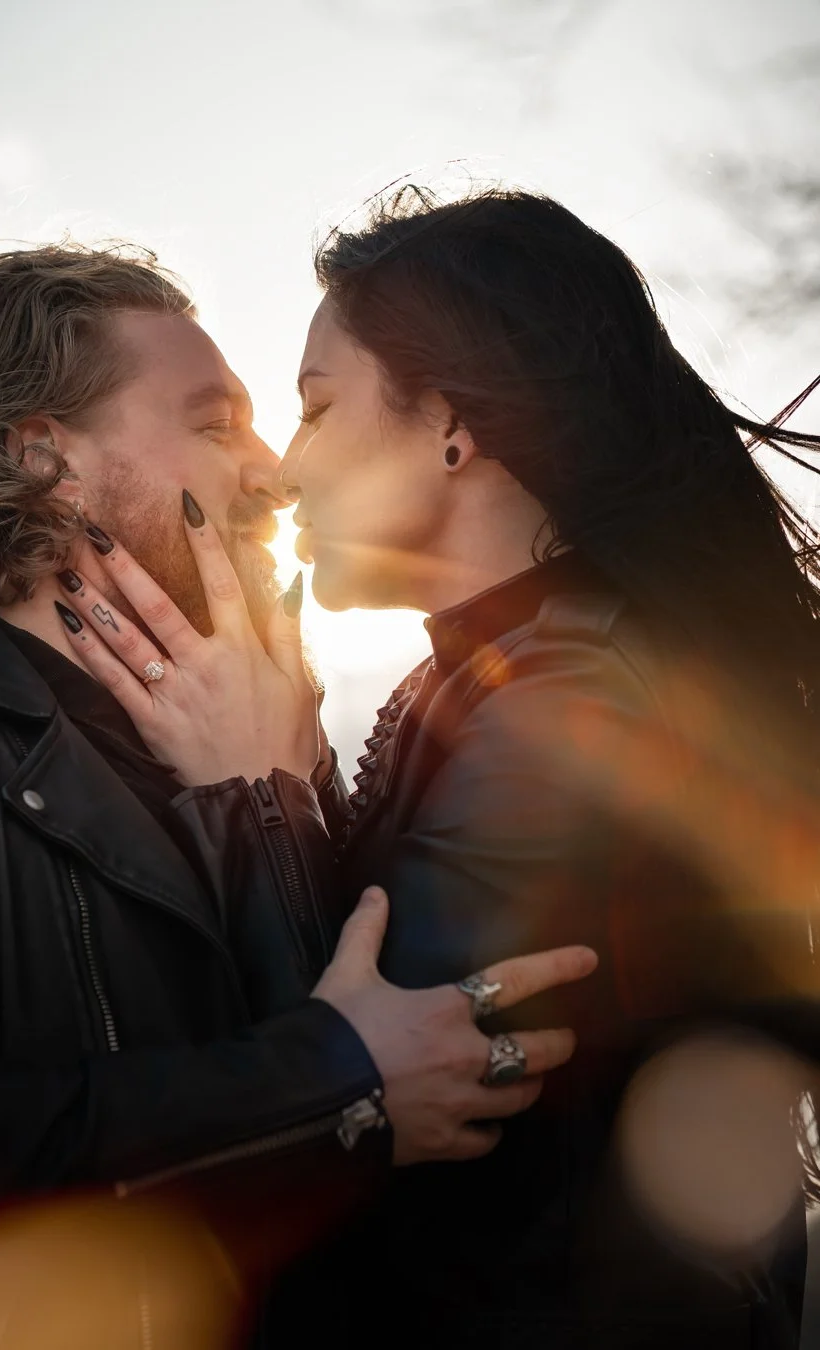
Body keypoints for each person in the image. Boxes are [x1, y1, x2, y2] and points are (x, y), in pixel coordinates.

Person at [0, 244, 595, 1311]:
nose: (271, 471)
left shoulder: (259, 742)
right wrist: (322, 1090)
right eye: (216, 423)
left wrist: (281, 795)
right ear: (44, 463)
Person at [54, 189, 820, 1347]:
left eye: (316, 409)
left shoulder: (573, 702)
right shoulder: (492, 673)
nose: (284, 473)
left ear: (451, 425)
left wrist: (254, 795)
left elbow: (374, 1103)